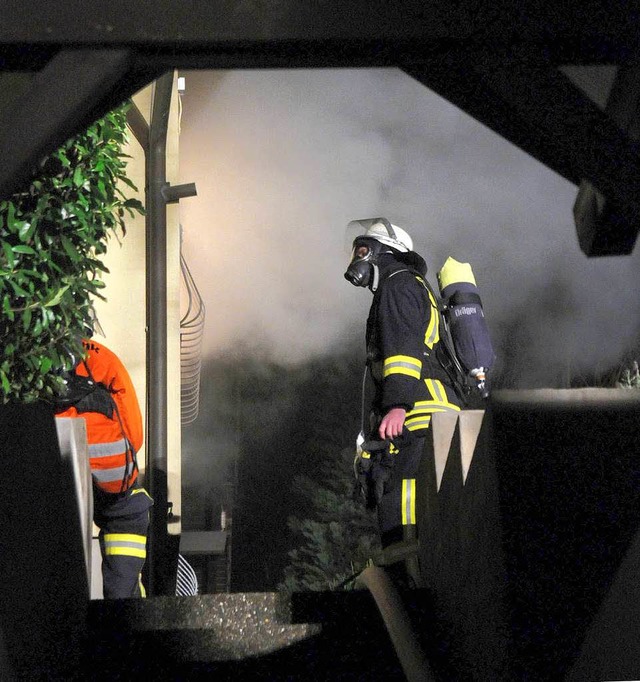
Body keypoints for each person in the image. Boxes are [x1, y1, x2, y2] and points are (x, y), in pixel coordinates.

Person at [345, 218, 463, 562]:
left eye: (364, 250)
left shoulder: (397, 285)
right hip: (431, 412)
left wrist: (397, 404)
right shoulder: (411, 285)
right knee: (419, 498)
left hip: (418, 414)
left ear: (385, 252)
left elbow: (402, 348)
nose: (357, 258)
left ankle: (410, 575)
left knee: (405, 499)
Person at [54, 338, 152, 599]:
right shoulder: (97, 357)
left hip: (112, 497)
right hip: (121, 496)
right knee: (123, 600)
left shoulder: (33, 369)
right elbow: (135, 434)